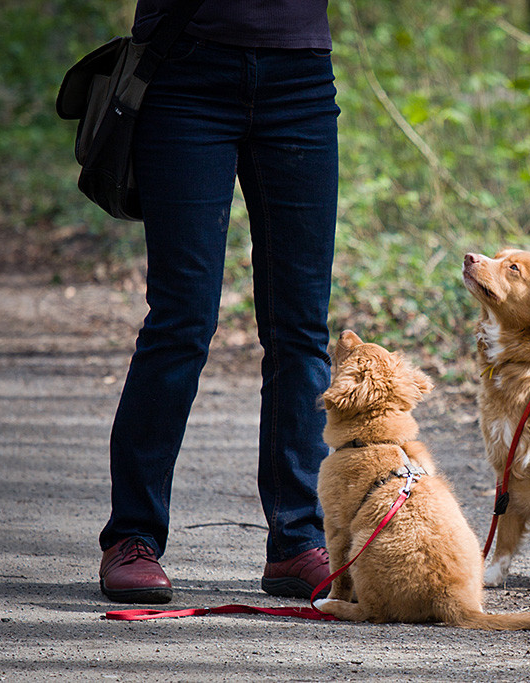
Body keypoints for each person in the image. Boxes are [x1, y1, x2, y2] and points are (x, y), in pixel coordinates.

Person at [97, 0, 339, 604]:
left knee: (301, 329)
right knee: (181, 320)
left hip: (301, 77)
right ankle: (132, 536)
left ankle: (297, 540)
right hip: (185, 70)